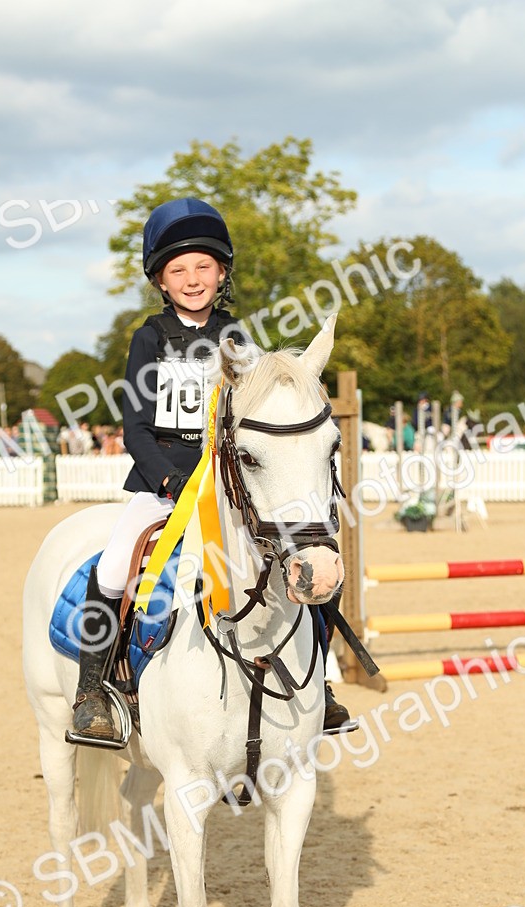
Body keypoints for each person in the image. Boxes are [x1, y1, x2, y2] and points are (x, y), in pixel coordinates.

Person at [71, 197, 353, 742]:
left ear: (221, 272)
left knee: (310, 555)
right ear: (160, 280)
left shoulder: (237, 338)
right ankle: (94, 692)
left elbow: (255, 421)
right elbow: (135, 429)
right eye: (178, 270)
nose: (192, 278)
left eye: (203, 266)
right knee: (111, 568)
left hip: (229, 484)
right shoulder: (148, 339)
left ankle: (322, 681)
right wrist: (170, 481)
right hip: (165, 482)